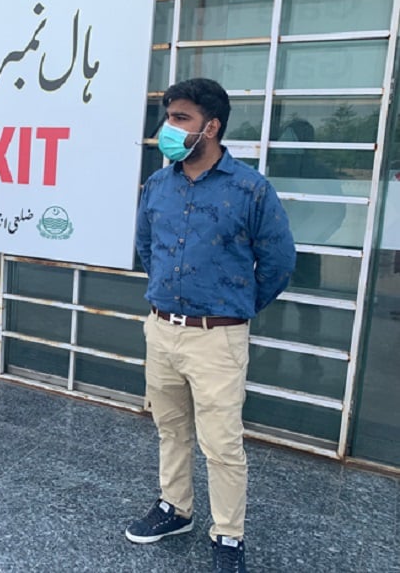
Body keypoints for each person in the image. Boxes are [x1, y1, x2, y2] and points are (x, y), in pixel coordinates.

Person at [127, 78, 296, 572]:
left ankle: (228, 534)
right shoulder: (159, 184)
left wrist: (233, 307)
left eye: (181, 119)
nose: (169, 129)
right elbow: (146, 248)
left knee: (221, 443)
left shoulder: (249, 188)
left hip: (217, 336)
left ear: (212, 126)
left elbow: (279, 260)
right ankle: (174, 508)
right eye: (169, 118)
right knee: (170, 428)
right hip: (161, 330)